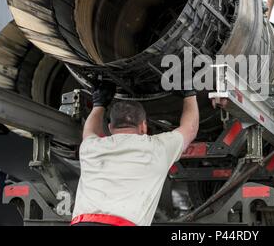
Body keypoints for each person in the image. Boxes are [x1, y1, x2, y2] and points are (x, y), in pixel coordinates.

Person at [71, 82, 199, 226]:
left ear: (110, 127)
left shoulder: (90, 148)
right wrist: (189, 93)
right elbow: (190, 129)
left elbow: (88, 131)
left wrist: (98, 104)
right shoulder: (157, 148)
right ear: (144, 126)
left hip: (82, 222)